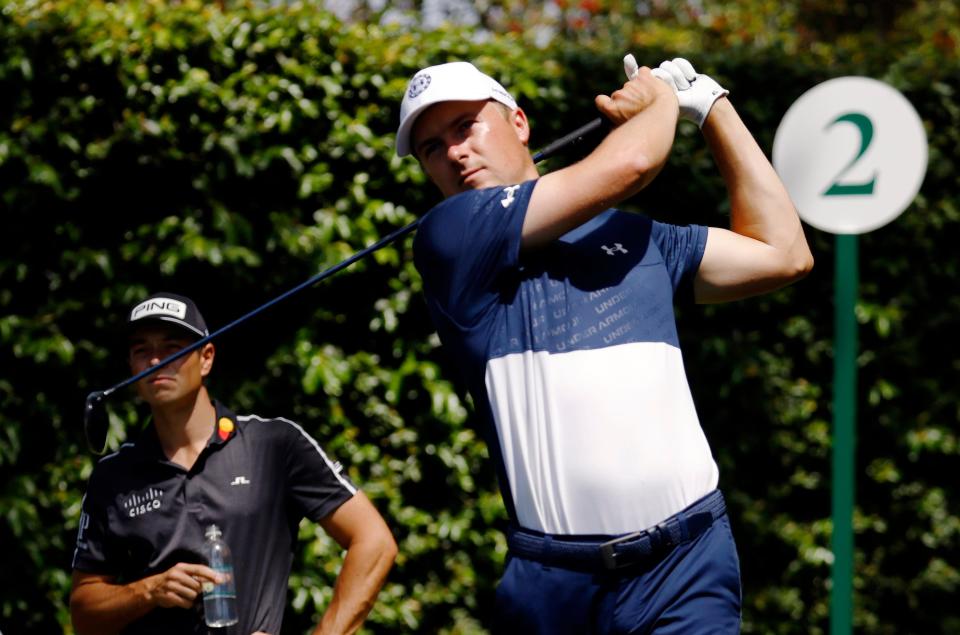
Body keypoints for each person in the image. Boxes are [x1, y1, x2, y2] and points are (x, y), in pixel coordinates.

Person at [396, 56, 813, 633]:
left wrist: (713, 105)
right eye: (431, 148)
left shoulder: (638, 236)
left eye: (465, 126)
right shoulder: (450, 237)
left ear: (519, 123)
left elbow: (783, 254)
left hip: (687, 564)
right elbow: (636, 158)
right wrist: (662, 99)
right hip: (556, 588)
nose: (454, 152)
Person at [70, 292, 398, 635]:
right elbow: (84, 613)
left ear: (206, 357)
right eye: (142, 350)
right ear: (131, 367)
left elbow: (373, 540)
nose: (155, 361)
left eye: (172, 348)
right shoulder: (113, 475)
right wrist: (149, 591)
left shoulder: (274, 443)